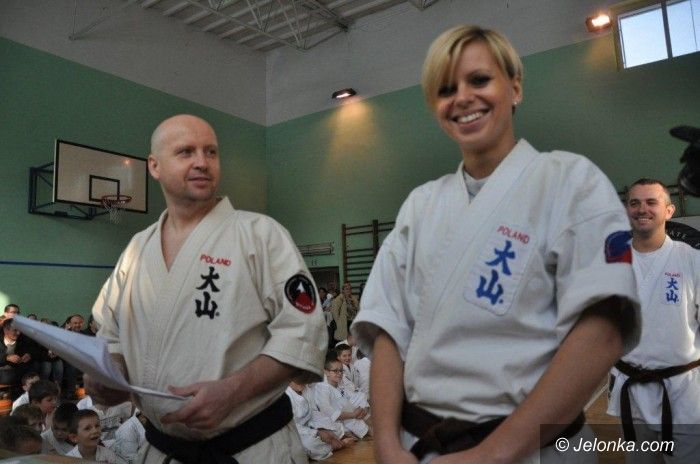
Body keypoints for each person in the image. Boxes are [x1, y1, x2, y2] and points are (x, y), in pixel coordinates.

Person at [351, 25, 640, 464]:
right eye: (446, 90)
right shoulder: (419, 206)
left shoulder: (570, 181)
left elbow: (602, 332)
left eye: (479, 80)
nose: (462, 98)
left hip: (532, 449)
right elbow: (388, 329)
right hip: (419, 448)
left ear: (515, 88)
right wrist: (387, 445)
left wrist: (492, 454)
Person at [87, 114, 327, 463]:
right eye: (186, 152)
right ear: (154, 166)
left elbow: (302, 333)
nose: (202, 162)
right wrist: (109, 377)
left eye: (211, 152)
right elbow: (111, 335)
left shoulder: (260, 235)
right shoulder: (137, 249)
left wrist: (234, 390)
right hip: (162, 450)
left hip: (252, 449)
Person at [607, 178, 700, 463]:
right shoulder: (610, 262)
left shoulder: (693, 260)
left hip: (682, 394)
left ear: (669, 211)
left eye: (651, 202)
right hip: (631, 391)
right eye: (634, 203)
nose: (642, 209)